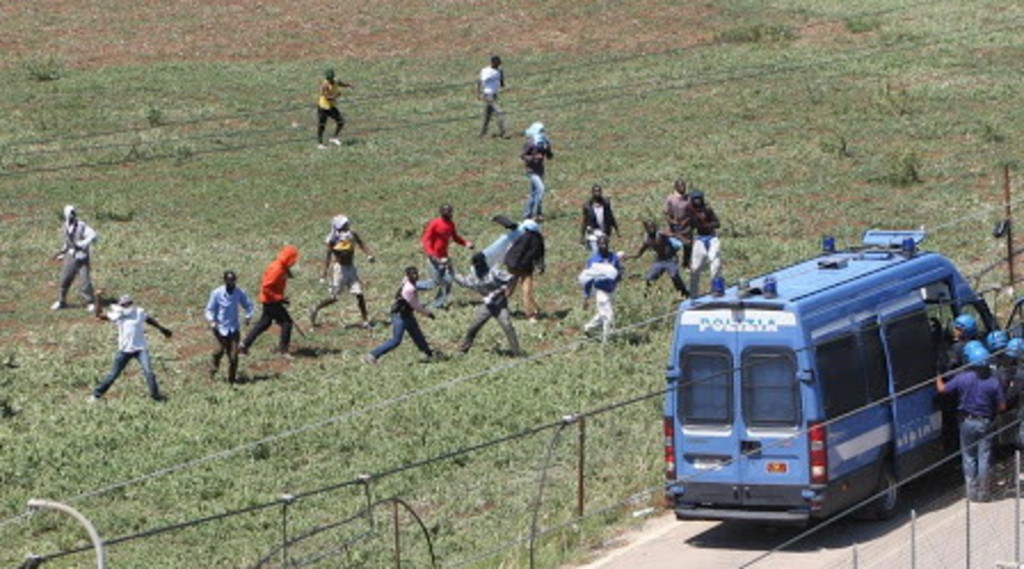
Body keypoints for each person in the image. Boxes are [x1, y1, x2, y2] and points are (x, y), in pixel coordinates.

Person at [936, 340, 1006, 502]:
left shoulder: (963, 378)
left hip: (967, 422)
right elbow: (1002, 406)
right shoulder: (993, 382)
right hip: (986, 422)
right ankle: (984, 493)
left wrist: (938, 376)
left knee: (969, 457)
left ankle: (971, 492)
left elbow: (942, 390)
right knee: (984, 457)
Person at [90, 292, 172, 402]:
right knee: (113, 374)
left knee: (149, 372)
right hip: (124, 350)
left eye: (127, 304)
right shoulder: (118, 315)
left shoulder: (139, 312)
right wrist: (98, 298)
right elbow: (98, 315)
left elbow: (149, 319)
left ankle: (156, 396)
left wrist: (162, 329)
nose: (126, 306)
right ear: (120, 305)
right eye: (123, 305)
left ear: (131, 304)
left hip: (140, 349)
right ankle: (96, 395)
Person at [310, 215, 375, 328]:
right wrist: (323, 274)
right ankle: (316, 308)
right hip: (339, 271)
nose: (346, 227)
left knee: (359, 294)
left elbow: (361, 244)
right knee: (334, 297)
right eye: (344, 226)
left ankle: (365, 320)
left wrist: (368, 254)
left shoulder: (351, 235)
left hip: (351, 268)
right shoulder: (333, 239)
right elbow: (328, 256)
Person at [364, 266, 438, 364]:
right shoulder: (409, 289)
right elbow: (416, 305)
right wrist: (428, 314)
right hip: (400, 316)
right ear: (408, 275)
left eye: (416, 273)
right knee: (396, 340)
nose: (415, 276)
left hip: (407, 314)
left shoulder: (407, 282)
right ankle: (372, 355)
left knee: (417, 335)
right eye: (412, 274)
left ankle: (429, 354)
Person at [453, 253, 522, 356]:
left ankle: (516, 352)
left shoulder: (494, 272)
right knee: (473, 327)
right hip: (487, 306)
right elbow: (465, 282)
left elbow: (511, 279)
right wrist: (452, 272)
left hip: (500, 305)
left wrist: (499, 292)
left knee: (507, 326)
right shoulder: (474, 274)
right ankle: (464, 349)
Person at [240, 245, 300, 357]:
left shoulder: (280, 266)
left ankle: (244, 345)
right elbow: (266, 287)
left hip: (270, 300)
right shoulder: (277, 269)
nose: (294, 263)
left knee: (264, 323)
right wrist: (279, 298)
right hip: (271, 301)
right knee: (286, 323)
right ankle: (283, 351)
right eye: (293, 260)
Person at [204, 270, 254, 383]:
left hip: (233, 329)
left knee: (233, 356)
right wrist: (212, 321)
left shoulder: (239, 292)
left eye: (233, 281)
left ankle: (232, 380)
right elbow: (209, 309)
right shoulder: (217, 293)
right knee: (219, 351)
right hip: (219, 328)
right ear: (225, 281)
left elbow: (249, 305)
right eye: (229, 282)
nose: (231, 284)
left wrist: (248, 316)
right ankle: (212, 371)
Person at [421, 204, 474, 309]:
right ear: (441, 213)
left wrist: (466, 243)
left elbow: (455, 237)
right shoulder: (435, 223)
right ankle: (412, 285)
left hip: (445, 258)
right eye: (447, 212)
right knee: (436, 282)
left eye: (450, 211)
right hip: (434, 259)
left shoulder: (450, 224)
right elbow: (425, 240)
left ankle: (437, 304)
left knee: (448, 281)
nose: (449, 214)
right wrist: (431, 254)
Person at [622, 220, 689, 298]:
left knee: (674, 275)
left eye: (653, 226)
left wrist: (685, 241)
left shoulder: (661, 234)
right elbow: (638, 254)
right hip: (659, 261)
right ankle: (645, 295)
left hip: (671, 259)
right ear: (646, 229)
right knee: (648, 278)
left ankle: (684, 293)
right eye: (649, 227)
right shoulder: (647, 241)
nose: (652, 229)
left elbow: (673, 235)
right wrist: (628, 256)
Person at [51, 204, 99, 311]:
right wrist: (62, 253)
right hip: (70, 256)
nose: (72, 216)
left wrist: (83, 243)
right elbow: (67, 242)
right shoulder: (65, 226)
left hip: (82, 256)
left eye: (73, 213)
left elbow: (94, 235)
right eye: (70, 214)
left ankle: (90, 301)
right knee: (64, 279)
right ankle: (61, 301)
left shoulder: (81, 225)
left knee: (85, 280)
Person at [579, 235, 623, 340]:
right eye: (601, 244)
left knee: (602, 313)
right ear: (597, 245)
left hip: (611, 289)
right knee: (608, 316)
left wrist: (619, 277)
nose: (603, 246)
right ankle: (606, 341)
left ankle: (588, 328)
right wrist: (586, 297)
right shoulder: (593, 261)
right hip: (601, 290)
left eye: (605, 243)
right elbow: (588, 279)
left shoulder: (613, 257)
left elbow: (619, 271)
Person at [504, 219, 545, 322]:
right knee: (526, 291)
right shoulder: (538, 238)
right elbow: (540, 254)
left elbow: (508, 223)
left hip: (516, 265)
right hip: (522, 266)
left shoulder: (521, 235)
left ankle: (499, 308)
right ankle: (531, 314)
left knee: (510, 289)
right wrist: (541, 266)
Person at [681, 191, 721, 296]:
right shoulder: (690, 212)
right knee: (696, 266)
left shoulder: (707, 210)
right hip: (699, 239)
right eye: (695, 199)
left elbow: (717, 224)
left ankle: (715, 288)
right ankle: (693, 292)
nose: (697, 201)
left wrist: (707, 225)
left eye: (699, 199)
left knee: (715, 263)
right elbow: (687, 226)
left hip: (712, 238)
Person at [521, 122, 554, 220]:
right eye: (541, 131)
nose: (543, 133)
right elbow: (523, 155)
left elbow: (549, 156)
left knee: (534, 193)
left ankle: (528, 215)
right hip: (531, 171)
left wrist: (548, 150)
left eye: (543, 130)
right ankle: (536, 214)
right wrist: (534, 157)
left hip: (540, 170)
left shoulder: (543, 142)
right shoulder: (530, 142)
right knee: (541, 189)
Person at [317, 68, 355, 149]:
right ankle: (320, 144)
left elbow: (341, 83)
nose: (330, 80)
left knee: (341, 121)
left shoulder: (336, 81)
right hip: (323, 107)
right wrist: (336, 96)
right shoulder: (325, 85)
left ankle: (334, 137)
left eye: (331, 78)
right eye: (329, 79)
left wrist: (349, 85)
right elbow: (326, 97)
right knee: (322, 125)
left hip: (331, 106)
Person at [580, 184, 619, 252]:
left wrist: (616, 229)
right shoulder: (587, 206)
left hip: (604, 231)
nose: (597, 193)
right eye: (595, 191)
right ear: (592, 192)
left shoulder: (606, 203)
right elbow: (584, 221)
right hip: (593, 231)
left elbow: (611, 216)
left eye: (599, 191)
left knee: (604, 249)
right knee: (595, 251)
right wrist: (582, 236)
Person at [664, 178, 693, 270]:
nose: (682, 188)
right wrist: (672, 222)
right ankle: (670, 262)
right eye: (680, 186)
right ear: (675, 187)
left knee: (688, 245)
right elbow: (667, 213)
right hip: (675, 226)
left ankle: (686, 264)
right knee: (674, 246)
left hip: (687, 226)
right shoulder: (671, 199)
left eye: (684, 186)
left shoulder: (689, 198)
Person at [476, 55, 506, 138]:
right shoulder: (486, 71)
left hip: (494, 95)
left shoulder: (499, 70)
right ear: (493, 63)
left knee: (487, 116)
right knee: (499, 112)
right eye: (497, 63)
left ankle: (482, 133)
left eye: (499, 63)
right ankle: (503, 132)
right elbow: (479, 81)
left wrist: (501, 78)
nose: (499, 65)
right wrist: (478, 93)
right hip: (488, 95)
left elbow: (502, 83)